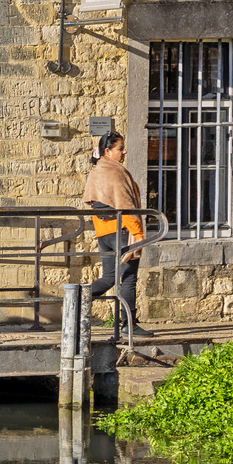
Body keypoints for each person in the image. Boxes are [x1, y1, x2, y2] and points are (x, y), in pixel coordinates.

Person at [82, 132, 152, 342]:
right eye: (120, 148)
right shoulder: (115, 172)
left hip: (104, 233)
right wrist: (138, 235)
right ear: (107, 151)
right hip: (122, 232)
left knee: (109, 278)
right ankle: (128, 325)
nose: (124, 152)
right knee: (128, 278)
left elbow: (94, 203)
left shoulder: (97, 171)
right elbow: (125, 205)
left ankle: (76, 302)